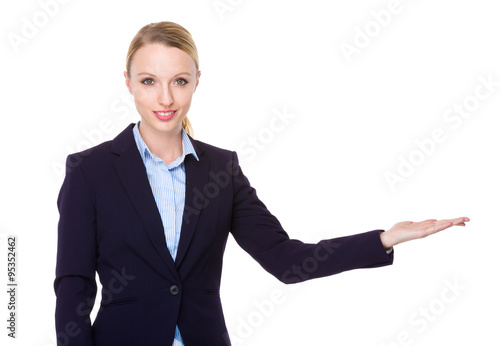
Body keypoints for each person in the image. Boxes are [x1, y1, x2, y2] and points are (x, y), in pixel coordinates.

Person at [54, 21, 469, 346]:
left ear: (197, 81)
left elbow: (286, 260)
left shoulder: (221, 169)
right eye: (149, 81)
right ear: (128, 83)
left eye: (179, 81)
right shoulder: (89, 171)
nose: (165, 98)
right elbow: (73, 287)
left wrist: (383, 238)